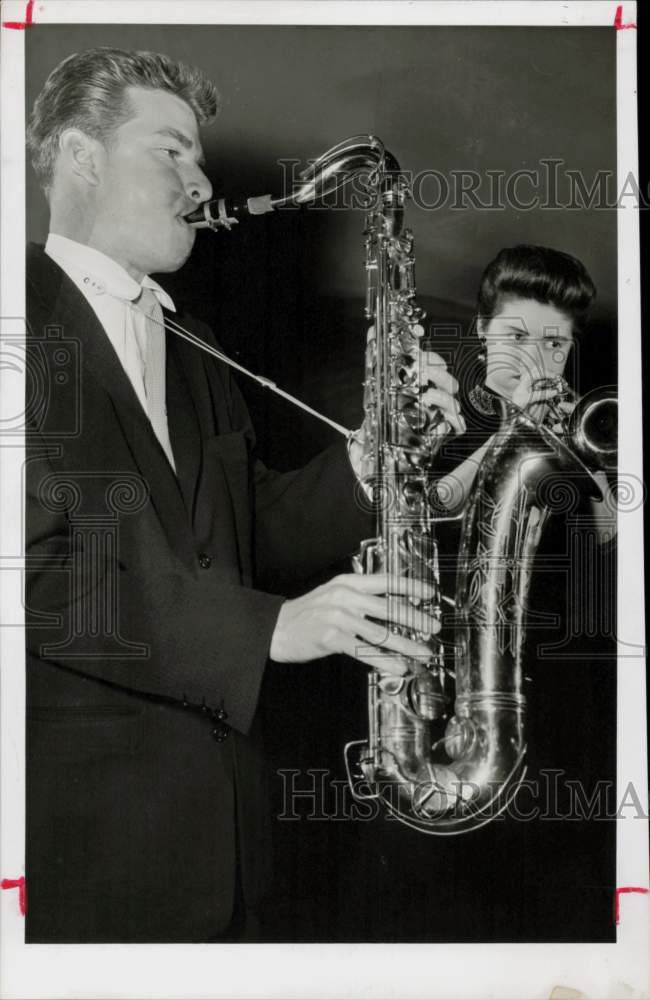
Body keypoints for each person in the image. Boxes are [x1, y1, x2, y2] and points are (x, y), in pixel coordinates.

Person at [24, 47, 462, 943]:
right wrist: (269, 629)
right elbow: (34, 577)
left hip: (225, 849)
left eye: (200, 156)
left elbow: (239, 528)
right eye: (171, 150)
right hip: (77, 857)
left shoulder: (191, 341)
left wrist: (369, 465)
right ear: (81, 156)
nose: (201, 179)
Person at [436, 243, 616, 544]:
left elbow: (610, 543)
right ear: (483, 328)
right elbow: (433, 508)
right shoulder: (447, 414)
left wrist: (590, 456)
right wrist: (515, 431)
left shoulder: (574, 422)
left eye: (554, 343)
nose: (533, 359)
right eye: (517, 336)